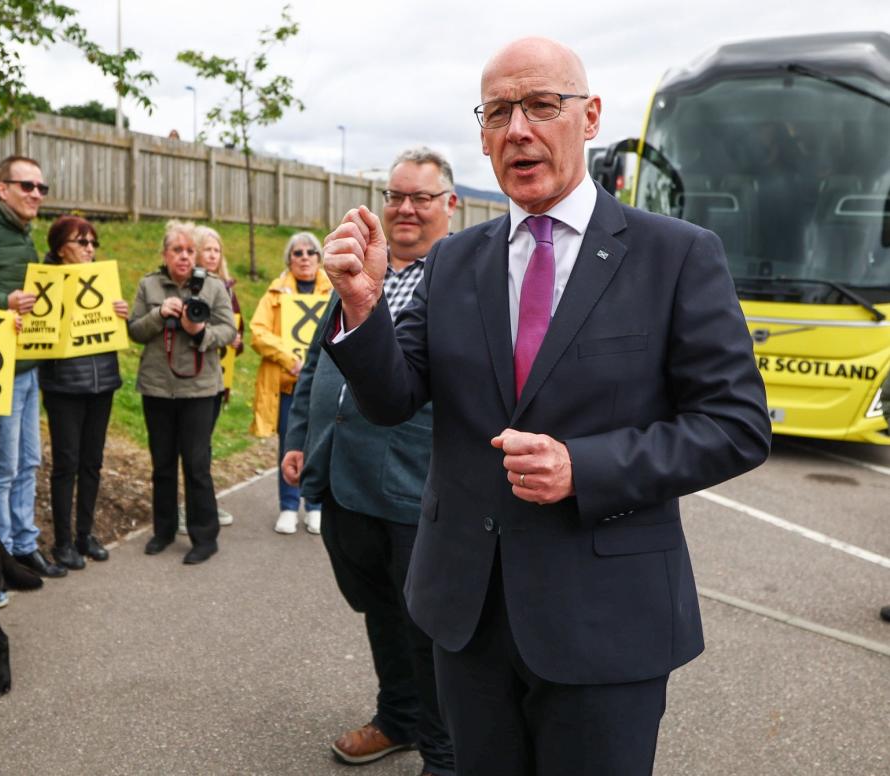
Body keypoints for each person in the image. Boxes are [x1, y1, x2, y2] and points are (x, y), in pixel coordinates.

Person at [322, 37, 771, 776]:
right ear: (483, 135)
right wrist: (363, 304)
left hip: (606, 619)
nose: (518, 129)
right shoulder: (453, 260)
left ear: (589, 116)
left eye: (540, 106)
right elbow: (393, 400)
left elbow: (736, 427)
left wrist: (584, 466)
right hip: (466, 610)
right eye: (498, 112)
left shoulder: (677, 256)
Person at [282, 147, 457, 775]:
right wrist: (299, 437)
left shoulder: (461, 278)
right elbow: (317, 364)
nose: (406, 209)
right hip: (347, 483)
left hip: (417, 491)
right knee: (379, 611)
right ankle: (397, 719)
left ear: (450, 205)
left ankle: (444, 754)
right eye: (396, 196)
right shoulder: (361, 273)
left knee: (428, 629)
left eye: (422, 198)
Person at [0, 155, 66, 579]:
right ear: (2, 188)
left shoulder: (21, 231)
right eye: (27, 186)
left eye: (41, 188)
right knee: (4, 468)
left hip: (28, 367)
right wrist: (2, 303)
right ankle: (0, 554)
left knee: (29, 461)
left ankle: (25, 544)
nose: (36, 195)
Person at [128, 220, 235, 565]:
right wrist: (160, 314)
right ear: (165, 254)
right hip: (157, 388)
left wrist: (199, 330)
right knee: (162, 464)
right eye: (178, 250)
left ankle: (205, 537)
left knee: (197, 464)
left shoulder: (214, 287)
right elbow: (135, 330)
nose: (185, 256)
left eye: (190, 250)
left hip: (201, 390)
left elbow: (228, 331)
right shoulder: (149, 285)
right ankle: (163, 530)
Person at [39, 215, 126, 571]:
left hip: (102, 382)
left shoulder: (103, 282)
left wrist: (120, 313)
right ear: (61, 249)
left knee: (92, 463)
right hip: (64, 386)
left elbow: (119, 330)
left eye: (93, 243)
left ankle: (84, 535)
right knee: (66, 465)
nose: (90, 249)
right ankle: (61, 542)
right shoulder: (45, 284)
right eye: (81, 242)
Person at [250, 232, 331, 535]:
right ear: (289, 259)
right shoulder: (274, 294)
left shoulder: (334, 289)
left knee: (321, 444)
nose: (305, 257)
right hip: (287, 386)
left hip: (322, 385)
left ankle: (315, 506)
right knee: (289, 444)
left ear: (320, 257)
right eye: (298, 253)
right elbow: (258, 332)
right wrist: (289, 358)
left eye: (311, 252)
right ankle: (287, 506)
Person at [180, 225, 242, 532]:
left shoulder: (226, 288)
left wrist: (236, 342)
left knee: (203, 448)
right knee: (194, 450)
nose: (213, 255)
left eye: (217, 250)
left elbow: (234, 330)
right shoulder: (188, 286)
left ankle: (203, 507)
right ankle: (193, 509)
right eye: (207, 249)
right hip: (190, 376)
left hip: (217, 377)